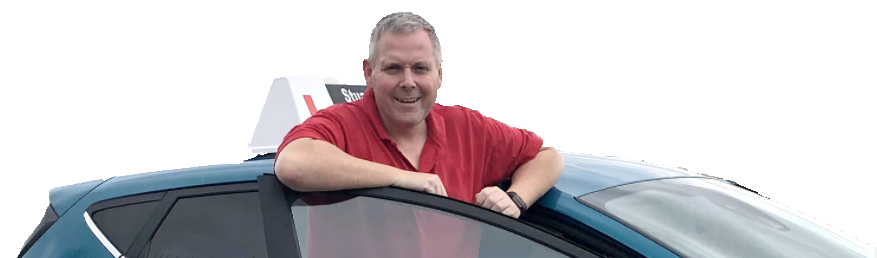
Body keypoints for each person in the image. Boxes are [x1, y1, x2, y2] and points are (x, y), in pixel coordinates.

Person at [274, 12, 565, 258]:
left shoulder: (466, 128)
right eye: (393, 68)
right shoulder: (343, 123)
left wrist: (516, 198)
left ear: (439, 74)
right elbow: (293, 165)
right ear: (369, 73)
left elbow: (546, 157)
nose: (408, 82)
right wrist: (400, 178)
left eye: (420, 68)